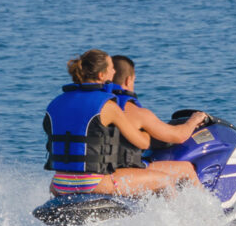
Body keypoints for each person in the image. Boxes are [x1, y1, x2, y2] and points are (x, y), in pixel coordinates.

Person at [44, 50, 191, 197]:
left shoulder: (55, 103)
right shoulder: (107, 106)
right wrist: (145, 130)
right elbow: (143, 143)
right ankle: (176, 221)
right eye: (111, 68)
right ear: (102, 75)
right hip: (94, 183)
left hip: (59, 184)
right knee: (164, 181)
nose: (114, 71)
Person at [109, 55, 205, 188]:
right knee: (187, 169)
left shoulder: (99, 106)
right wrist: (194, 120)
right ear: (128, 80)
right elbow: (179, 136)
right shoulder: (136, 112)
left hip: (98, 172)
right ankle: (203, 209)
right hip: (123, 173)